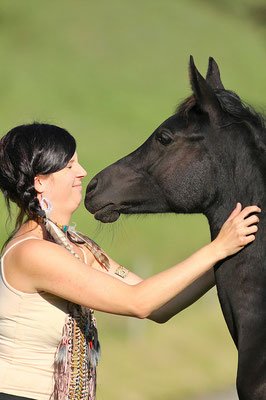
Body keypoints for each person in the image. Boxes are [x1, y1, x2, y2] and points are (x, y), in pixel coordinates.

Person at [0, 123, 260, 400]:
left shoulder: (78, 247)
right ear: (40, 181)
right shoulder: (33, 253)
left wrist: (229, 254)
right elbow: (138, 302)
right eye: (69, 166)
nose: (82, 172)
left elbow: (160, 306)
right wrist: (217, 248)